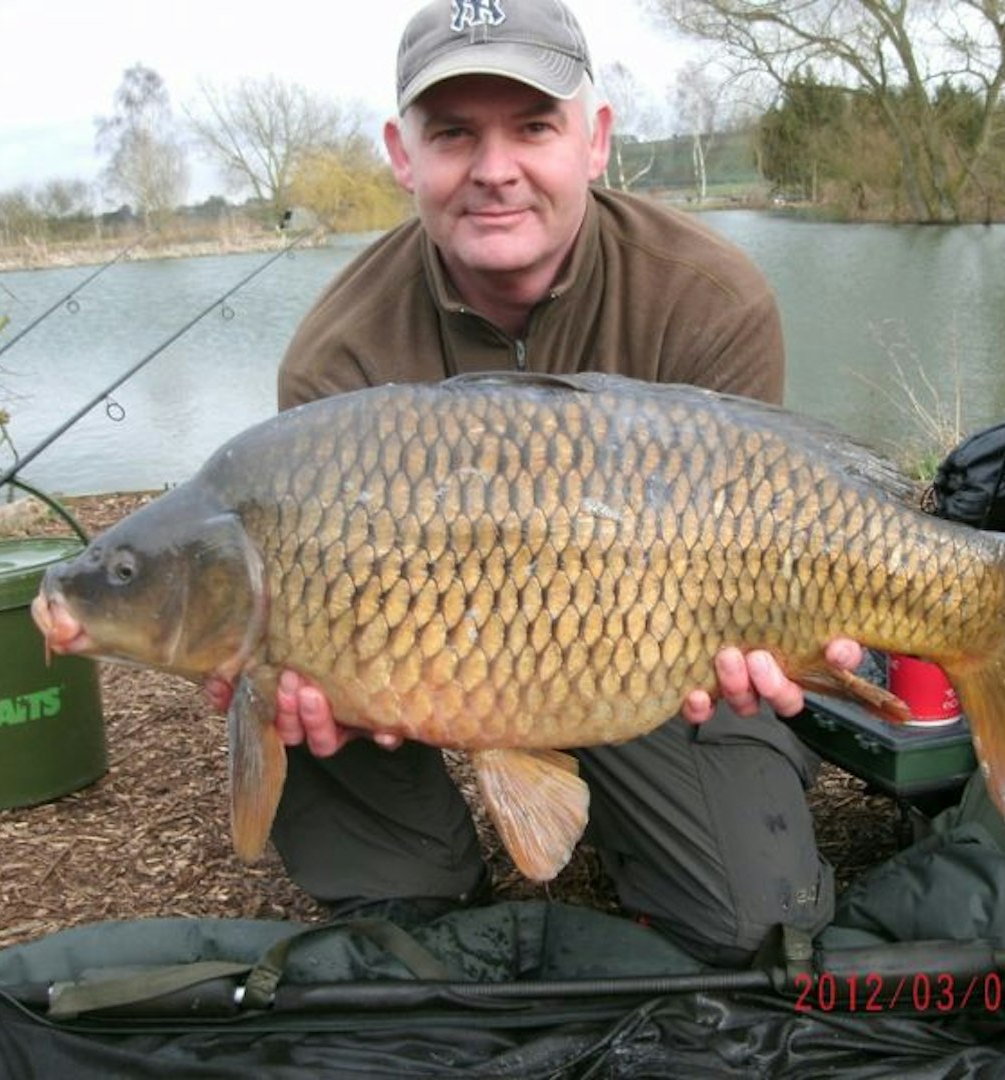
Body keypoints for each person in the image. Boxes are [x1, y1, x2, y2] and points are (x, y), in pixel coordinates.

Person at [221, 0, 863, 966]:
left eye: (533, 127)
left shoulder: (708, 298)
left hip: (646, 655)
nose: (494, 170)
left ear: (595, 140)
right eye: (453, 135)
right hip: (428, 661)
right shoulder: (339, 354)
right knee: (288, 674)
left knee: (751, 926)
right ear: (404, 154)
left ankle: (636, 818)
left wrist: (768, 639)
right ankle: (417, 893)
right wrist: (331, 680)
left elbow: (764, 531)